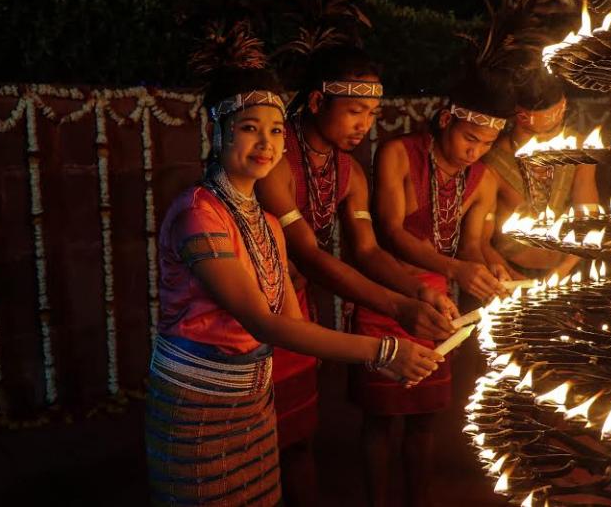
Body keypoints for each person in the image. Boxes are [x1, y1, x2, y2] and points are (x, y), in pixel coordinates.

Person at [145, 59, 443, 507]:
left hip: (253, 400)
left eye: (276, 130)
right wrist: (382, 350)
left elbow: (293, 322)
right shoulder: (197, 215)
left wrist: (392, 345)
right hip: (199, 404)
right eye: (249, 128)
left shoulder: (266, 222)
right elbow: (265, 324)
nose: (266, 143)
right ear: (218, 132)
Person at [255, 46, 458, 505]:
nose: (364, 124)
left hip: (296, 307)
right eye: (354, 111)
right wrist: (397, 306)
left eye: (371, 112)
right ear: (315, 103)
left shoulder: (348, 171)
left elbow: (366, 249)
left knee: (300, 437)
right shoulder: (274, 154)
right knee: (259, 444)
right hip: (248, 313)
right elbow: (306, 253)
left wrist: (419, 292)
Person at [353, 69, 512, 507]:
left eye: (485, 144)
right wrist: (458, 269)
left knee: (425, 418)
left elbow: (475, 245)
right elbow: (389, 232)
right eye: (469, 138)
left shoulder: (484, 178)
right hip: (384, 292)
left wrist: (492, 270)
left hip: (438, 306)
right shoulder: (397, 154)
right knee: (380, 417)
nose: (474, 151)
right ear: (446, 118)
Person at [482, 68, 599, 279]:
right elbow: (479, 240)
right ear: (519, 116)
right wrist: (515, 282)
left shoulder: (579, 150)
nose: (545, 141)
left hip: (567, 270)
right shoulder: (492, 160)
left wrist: (560, 272)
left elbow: (588, 218)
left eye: (553, 131)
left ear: (563, 106)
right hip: (509, 274)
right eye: (533, 134)